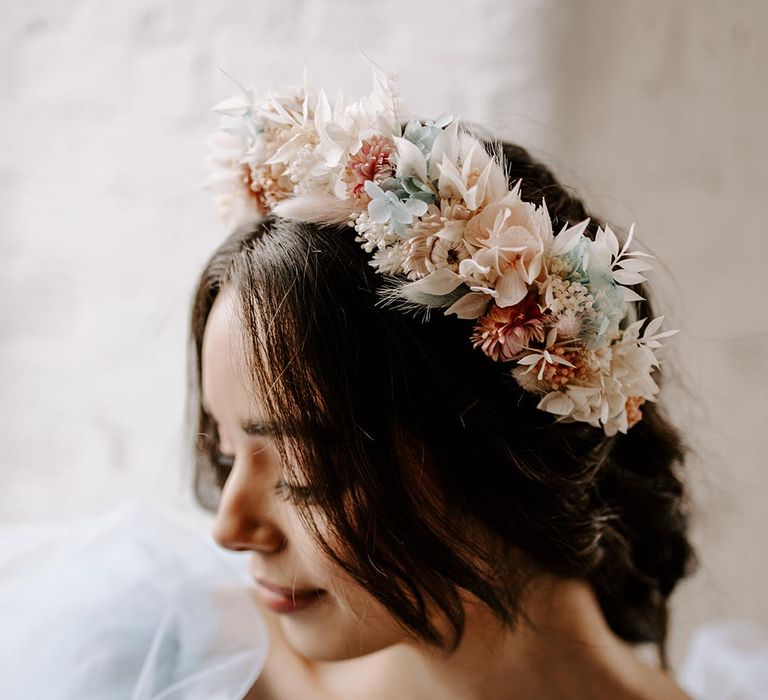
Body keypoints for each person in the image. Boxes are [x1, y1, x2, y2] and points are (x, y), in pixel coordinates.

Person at [189, 66, 697, 699]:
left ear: (499, 448)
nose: (229, 529)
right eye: (225, 451)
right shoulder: (226, 669)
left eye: (304, 463)